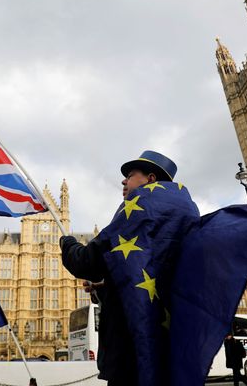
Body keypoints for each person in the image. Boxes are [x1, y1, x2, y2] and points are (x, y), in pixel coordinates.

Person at [60, 150, 178, 386]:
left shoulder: (138, 211)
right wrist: (104, 287)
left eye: (131, 175)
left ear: (151, 179)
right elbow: (147, 278)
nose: (124, 180)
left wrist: (68, 244)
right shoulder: (176, 215)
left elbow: (88, 262)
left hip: (132, 348)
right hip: (167, 344)